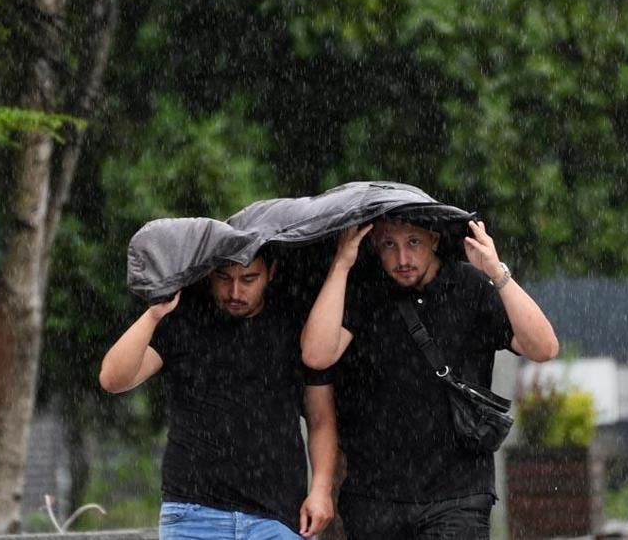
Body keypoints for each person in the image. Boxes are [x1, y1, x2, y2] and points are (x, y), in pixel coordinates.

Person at [301, 217, 559, 539]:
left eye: (413, 242)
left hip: (457, 493)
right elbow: (316, 355)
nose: (403, 259)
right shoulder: (362, 290)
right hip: (375, 495)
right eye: (389, 245)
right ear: (374, 247)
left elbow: (544, 347)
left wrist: (496, 272)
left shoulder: (469, 286)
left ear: (434, 240)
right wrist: (341, 265)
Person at [99, 253, 336, 540]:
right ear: (210, 273)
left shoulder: (295, 323)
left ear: (271, 272)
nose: (235, 291)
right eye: (224, 278)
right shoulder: (185, 317)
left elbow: (321, 419)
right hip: (192, 514)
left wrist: (321, 489)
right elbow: (112, 379)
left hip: (277, 516)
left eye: (249, 278)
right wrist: (154, 313)